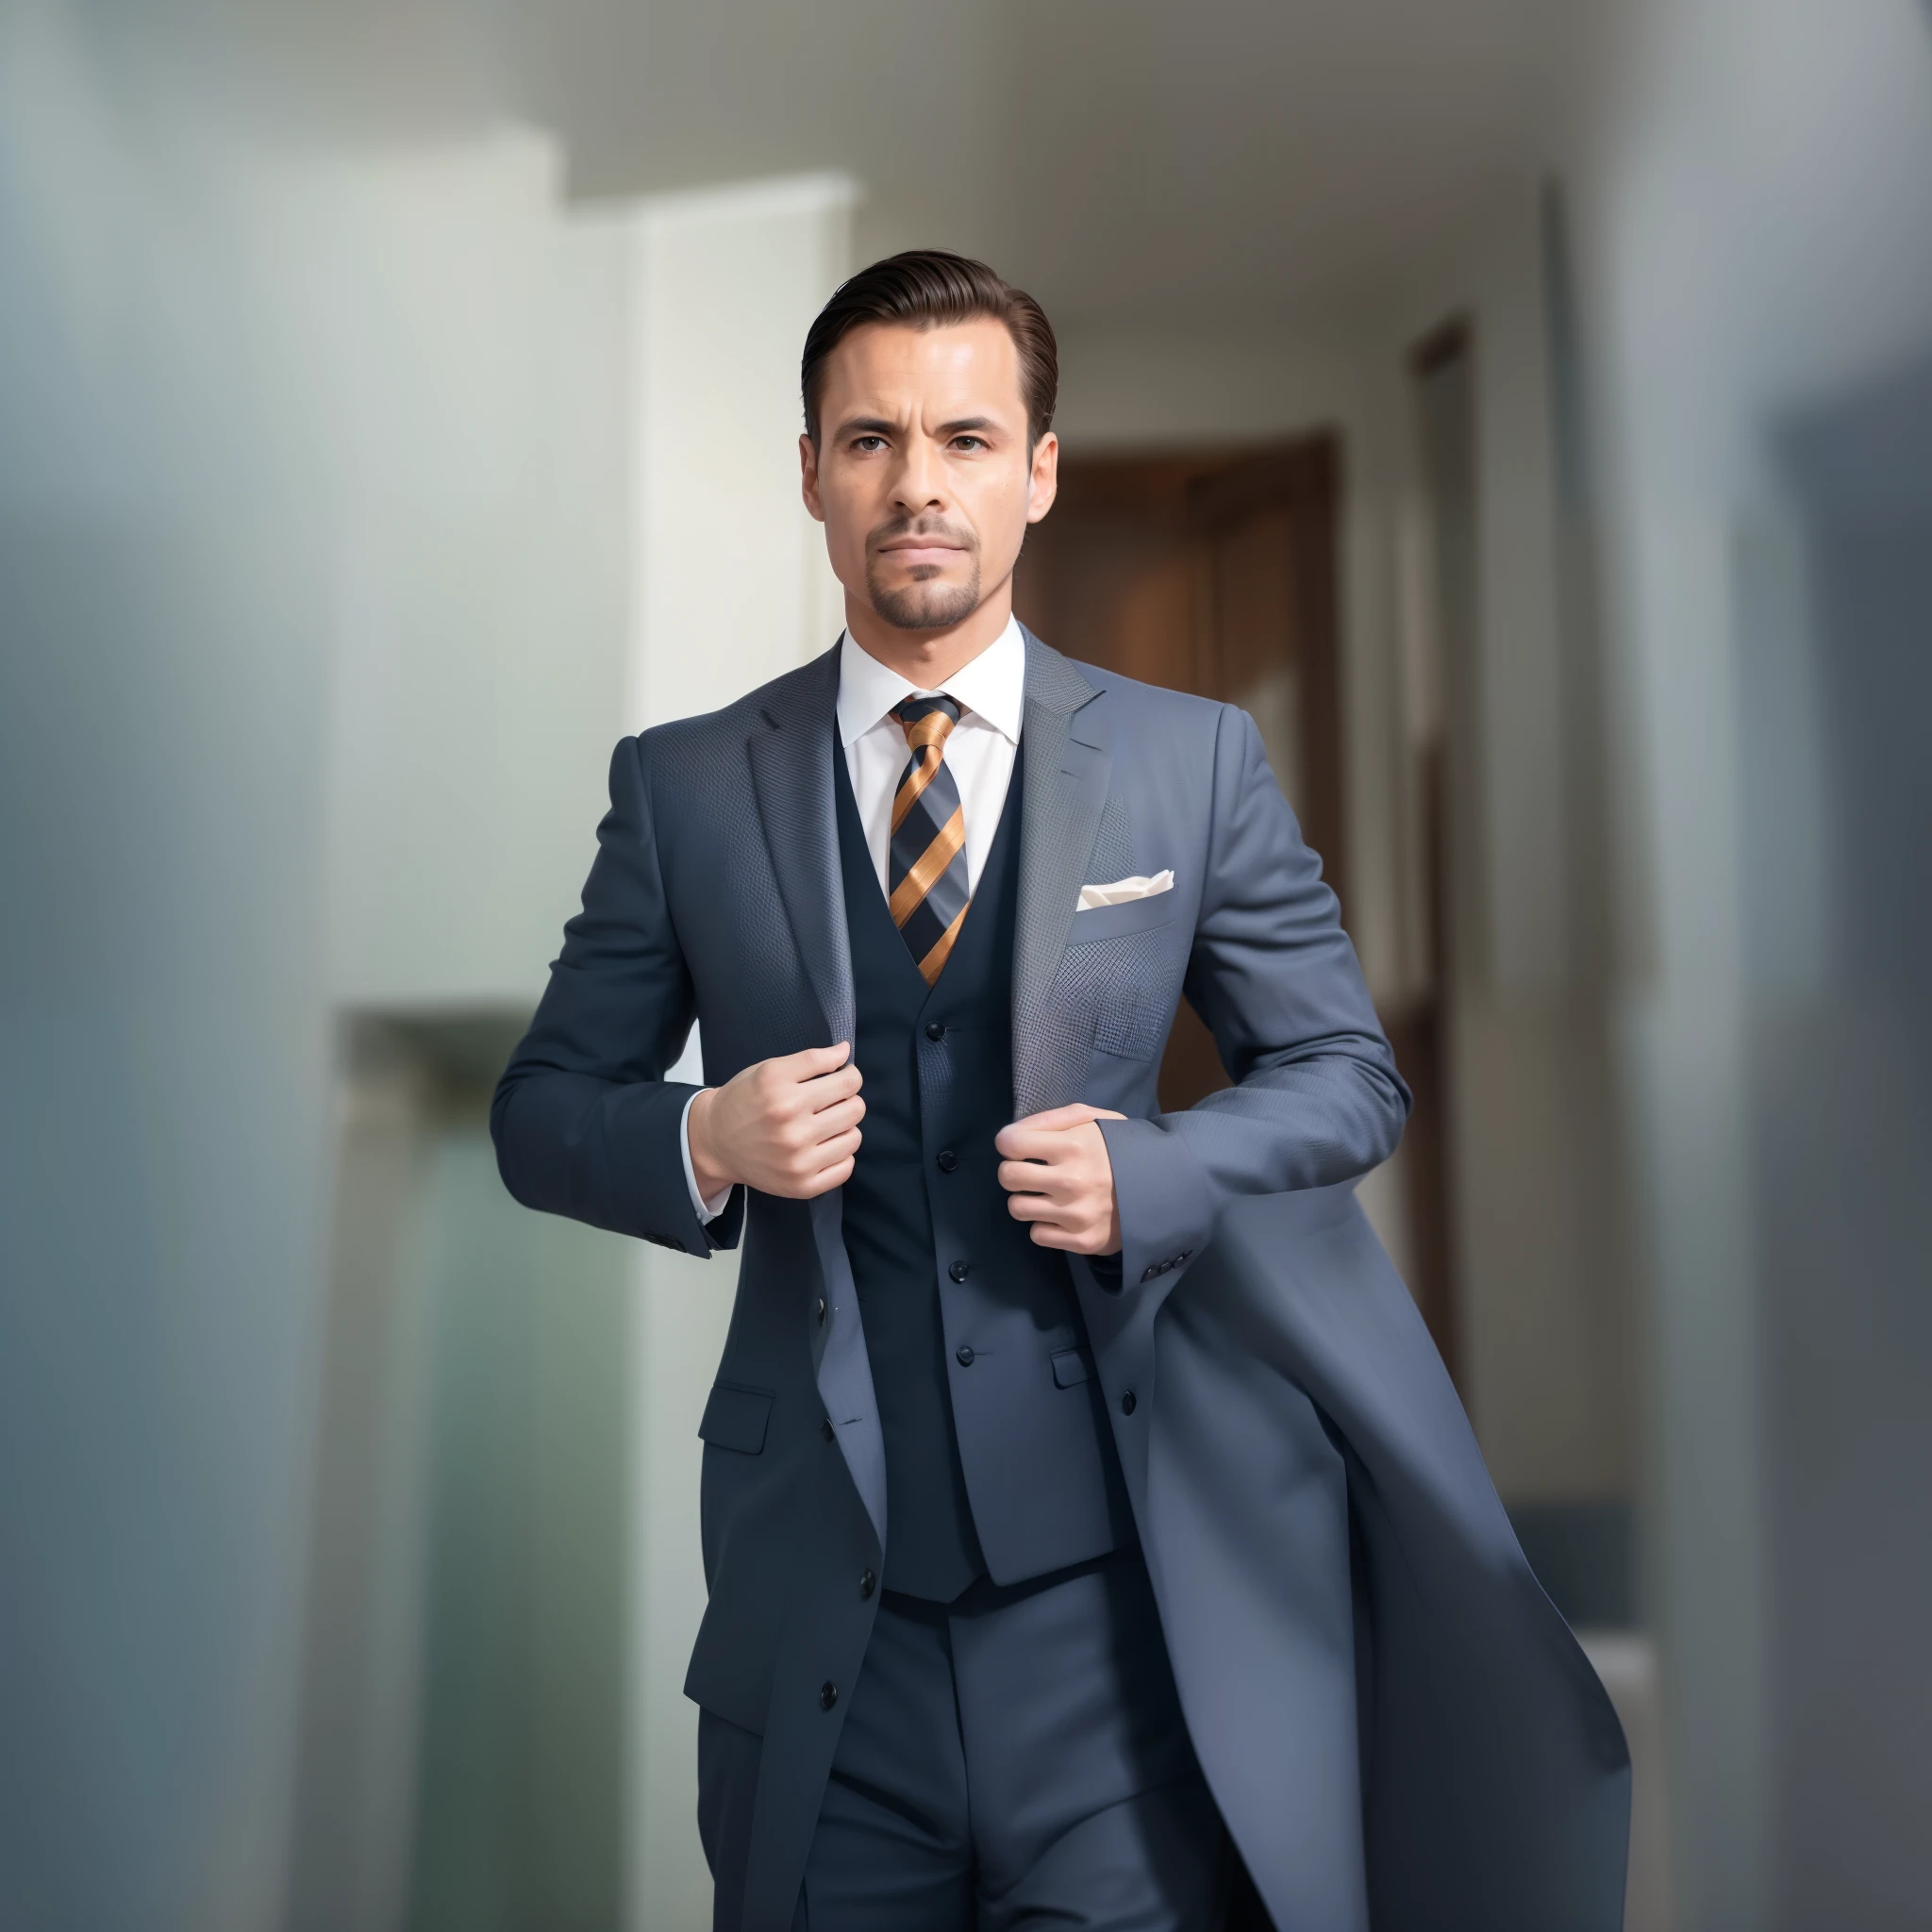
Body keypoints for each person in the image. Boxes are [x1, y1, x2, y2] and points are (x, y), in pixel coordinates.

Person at [493, 251, 1629, 1932]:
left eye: (964, 437)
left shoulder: (1192, 763)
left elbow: (1344, 1074)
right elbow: (541, 1110)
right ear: (811, 472)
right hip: (828, 1627)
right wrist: (702, 1135)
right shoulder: (683, 787)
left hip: (1126, 1640)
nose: (917, 482)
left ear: (1036, 472)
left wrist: (1156, 1172)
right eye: (870, 440)